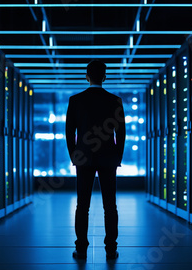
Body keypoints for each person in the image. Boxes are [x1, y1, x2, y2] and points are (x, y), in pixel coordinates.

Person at [65, 60, 126, 260]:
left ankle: (81, 249)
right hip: (108, 158)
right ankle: (110, 249)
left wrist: (74, 154)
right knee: (110, 206)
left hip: (84, 158)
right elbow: (121, 132)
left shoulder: (75, 100)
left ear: (86, 76)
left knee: (83, 205)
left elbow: (69, 132)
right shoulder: (115, 100)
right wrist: (118, 156)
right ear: (105, 76)